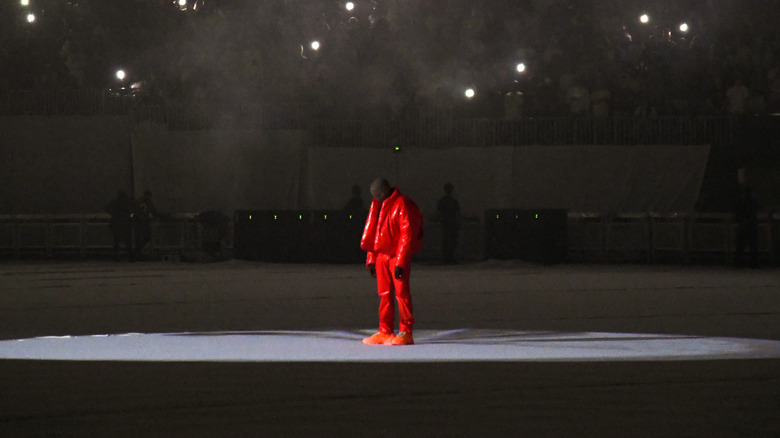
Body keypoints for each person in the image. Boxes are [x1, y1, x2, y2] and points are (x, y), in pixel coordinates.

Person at [360, 178, 424, 346]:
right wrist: (372, 259)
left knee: (401, 294)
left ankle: (405, 331)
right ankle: (385, 329)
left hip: (396, 256)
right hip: (382, 256)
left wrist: (401, 262)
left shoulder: (402, 204)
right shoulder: (379, 205)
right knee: (384, 295)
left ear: (383, 192)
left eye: (377, 195)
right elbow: (374, 232)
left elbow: (406, 235)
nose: (376, 198)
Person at [733, 184, 759, 268]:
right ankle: (751, 262)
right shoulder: (751, 202)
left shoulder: (742, 202)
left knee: (743, 244)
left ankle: (740, 262)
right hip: (749, 224)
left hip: (746, 224)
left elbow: (738, 213)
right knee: (751, 244)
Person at [105, 191, 135, 262]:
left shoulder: (116, 204)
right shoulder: (127, 204)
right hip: (125, 224)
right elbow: (132, 211)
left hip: (118, 224)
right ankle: (130, 257)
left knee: (118, 242)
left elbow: (107, 208)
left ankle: (117, 257)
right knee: (127, 242)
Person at [436, 182, 460, 264]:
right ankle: (448, 258)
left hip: (448, 223)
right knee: (448, 241)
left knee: (449, 241)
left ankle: (448, 257)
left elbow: (439, 212)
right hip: (448, 223)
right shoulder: (452, 202)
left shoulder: (445, 201)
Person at [135, 190, 157, 258]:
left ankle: (139, 251)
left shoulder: (141, 202)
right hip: (143, 221)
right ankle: (139, 251)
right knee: (146, 237)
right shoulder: (144, 202)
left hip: (142, 221)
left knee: (144, 237)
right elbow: (148, 210)